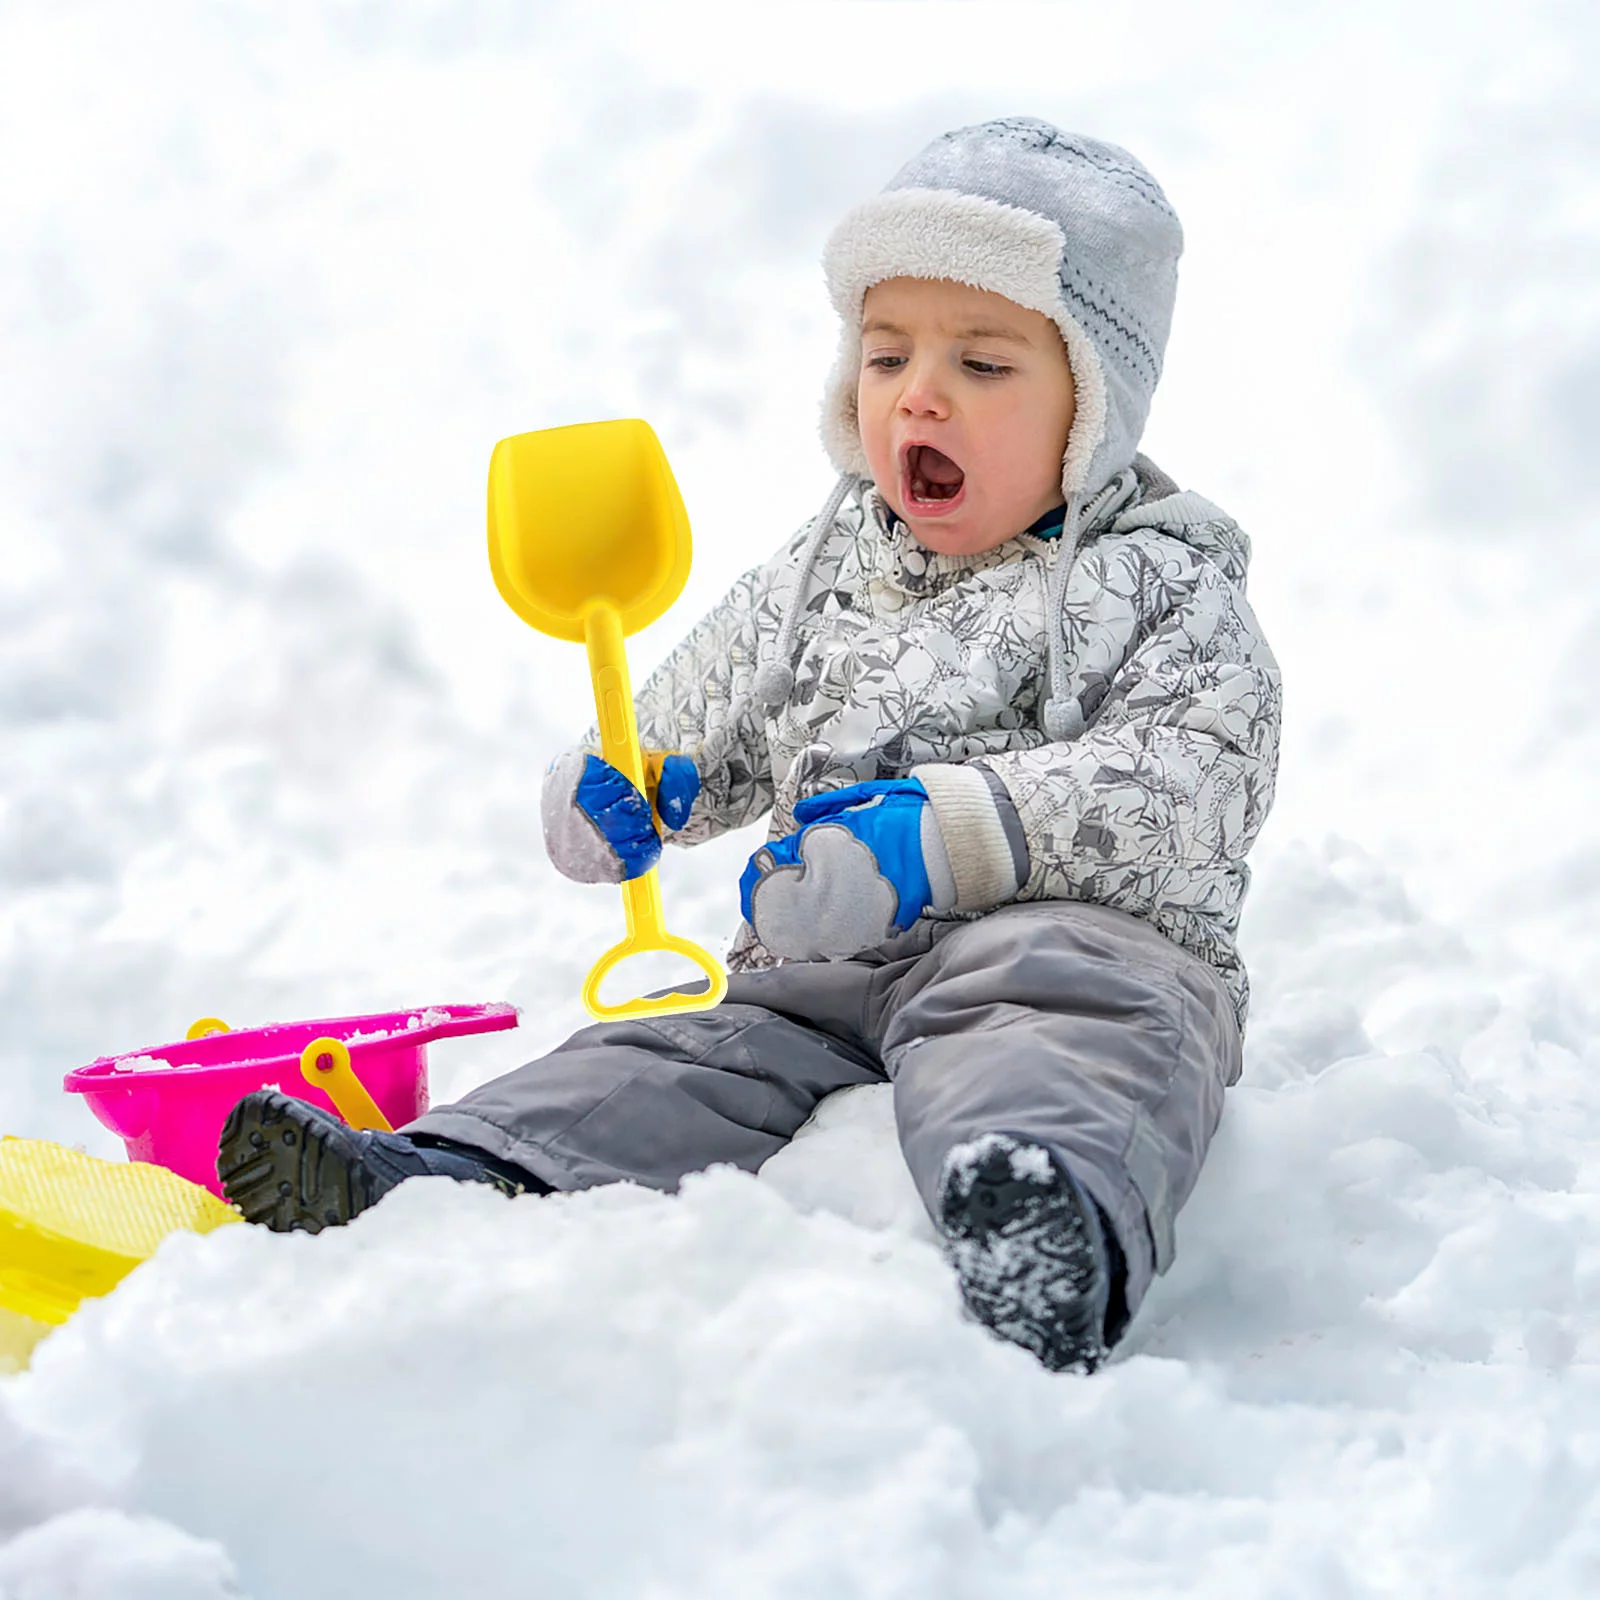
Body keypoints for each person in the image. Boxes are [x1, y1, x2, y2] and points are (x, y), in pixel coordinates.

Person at [219, 117, 1281, 1374]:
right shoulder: (819, 571)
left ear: (1092, 405)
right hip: (814, 970)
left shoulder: (1163, 586)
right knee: (667, 1052)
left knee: (1064, 1031)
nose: (918, 395)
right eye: (886, 357)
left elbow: (1194, 779)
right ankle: (447, 1175)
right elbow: (691, 711)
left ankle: (1047, 1224)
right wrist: (616, 784)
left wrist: (943, 837)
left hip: (1061, 941)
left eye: (983, 366)